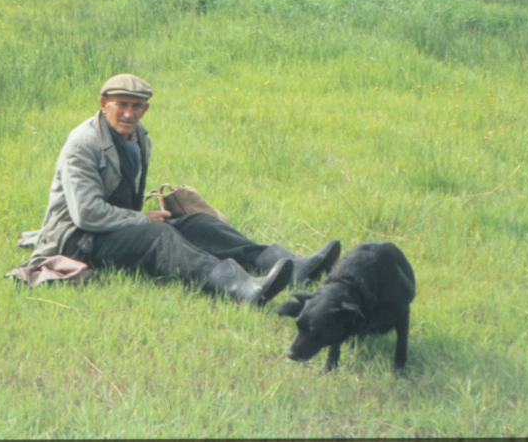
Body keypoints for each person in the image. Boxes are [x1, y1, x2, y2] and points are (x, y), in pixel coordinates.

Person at [23, 73, 341, 305]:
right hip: (77, 240)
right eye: (122, 104)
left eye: (138, 106)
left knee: (197, 223)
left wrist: (144, 217)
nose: (130, 113)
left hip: (112, 227)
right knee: (161, 237)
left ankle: (287, 265)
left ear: (145, 109)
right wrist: (142, 220)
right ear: (104, 104)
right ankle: (239, 289)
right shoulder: (83, 143)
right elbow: (86, 214)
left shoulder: (138, 137)